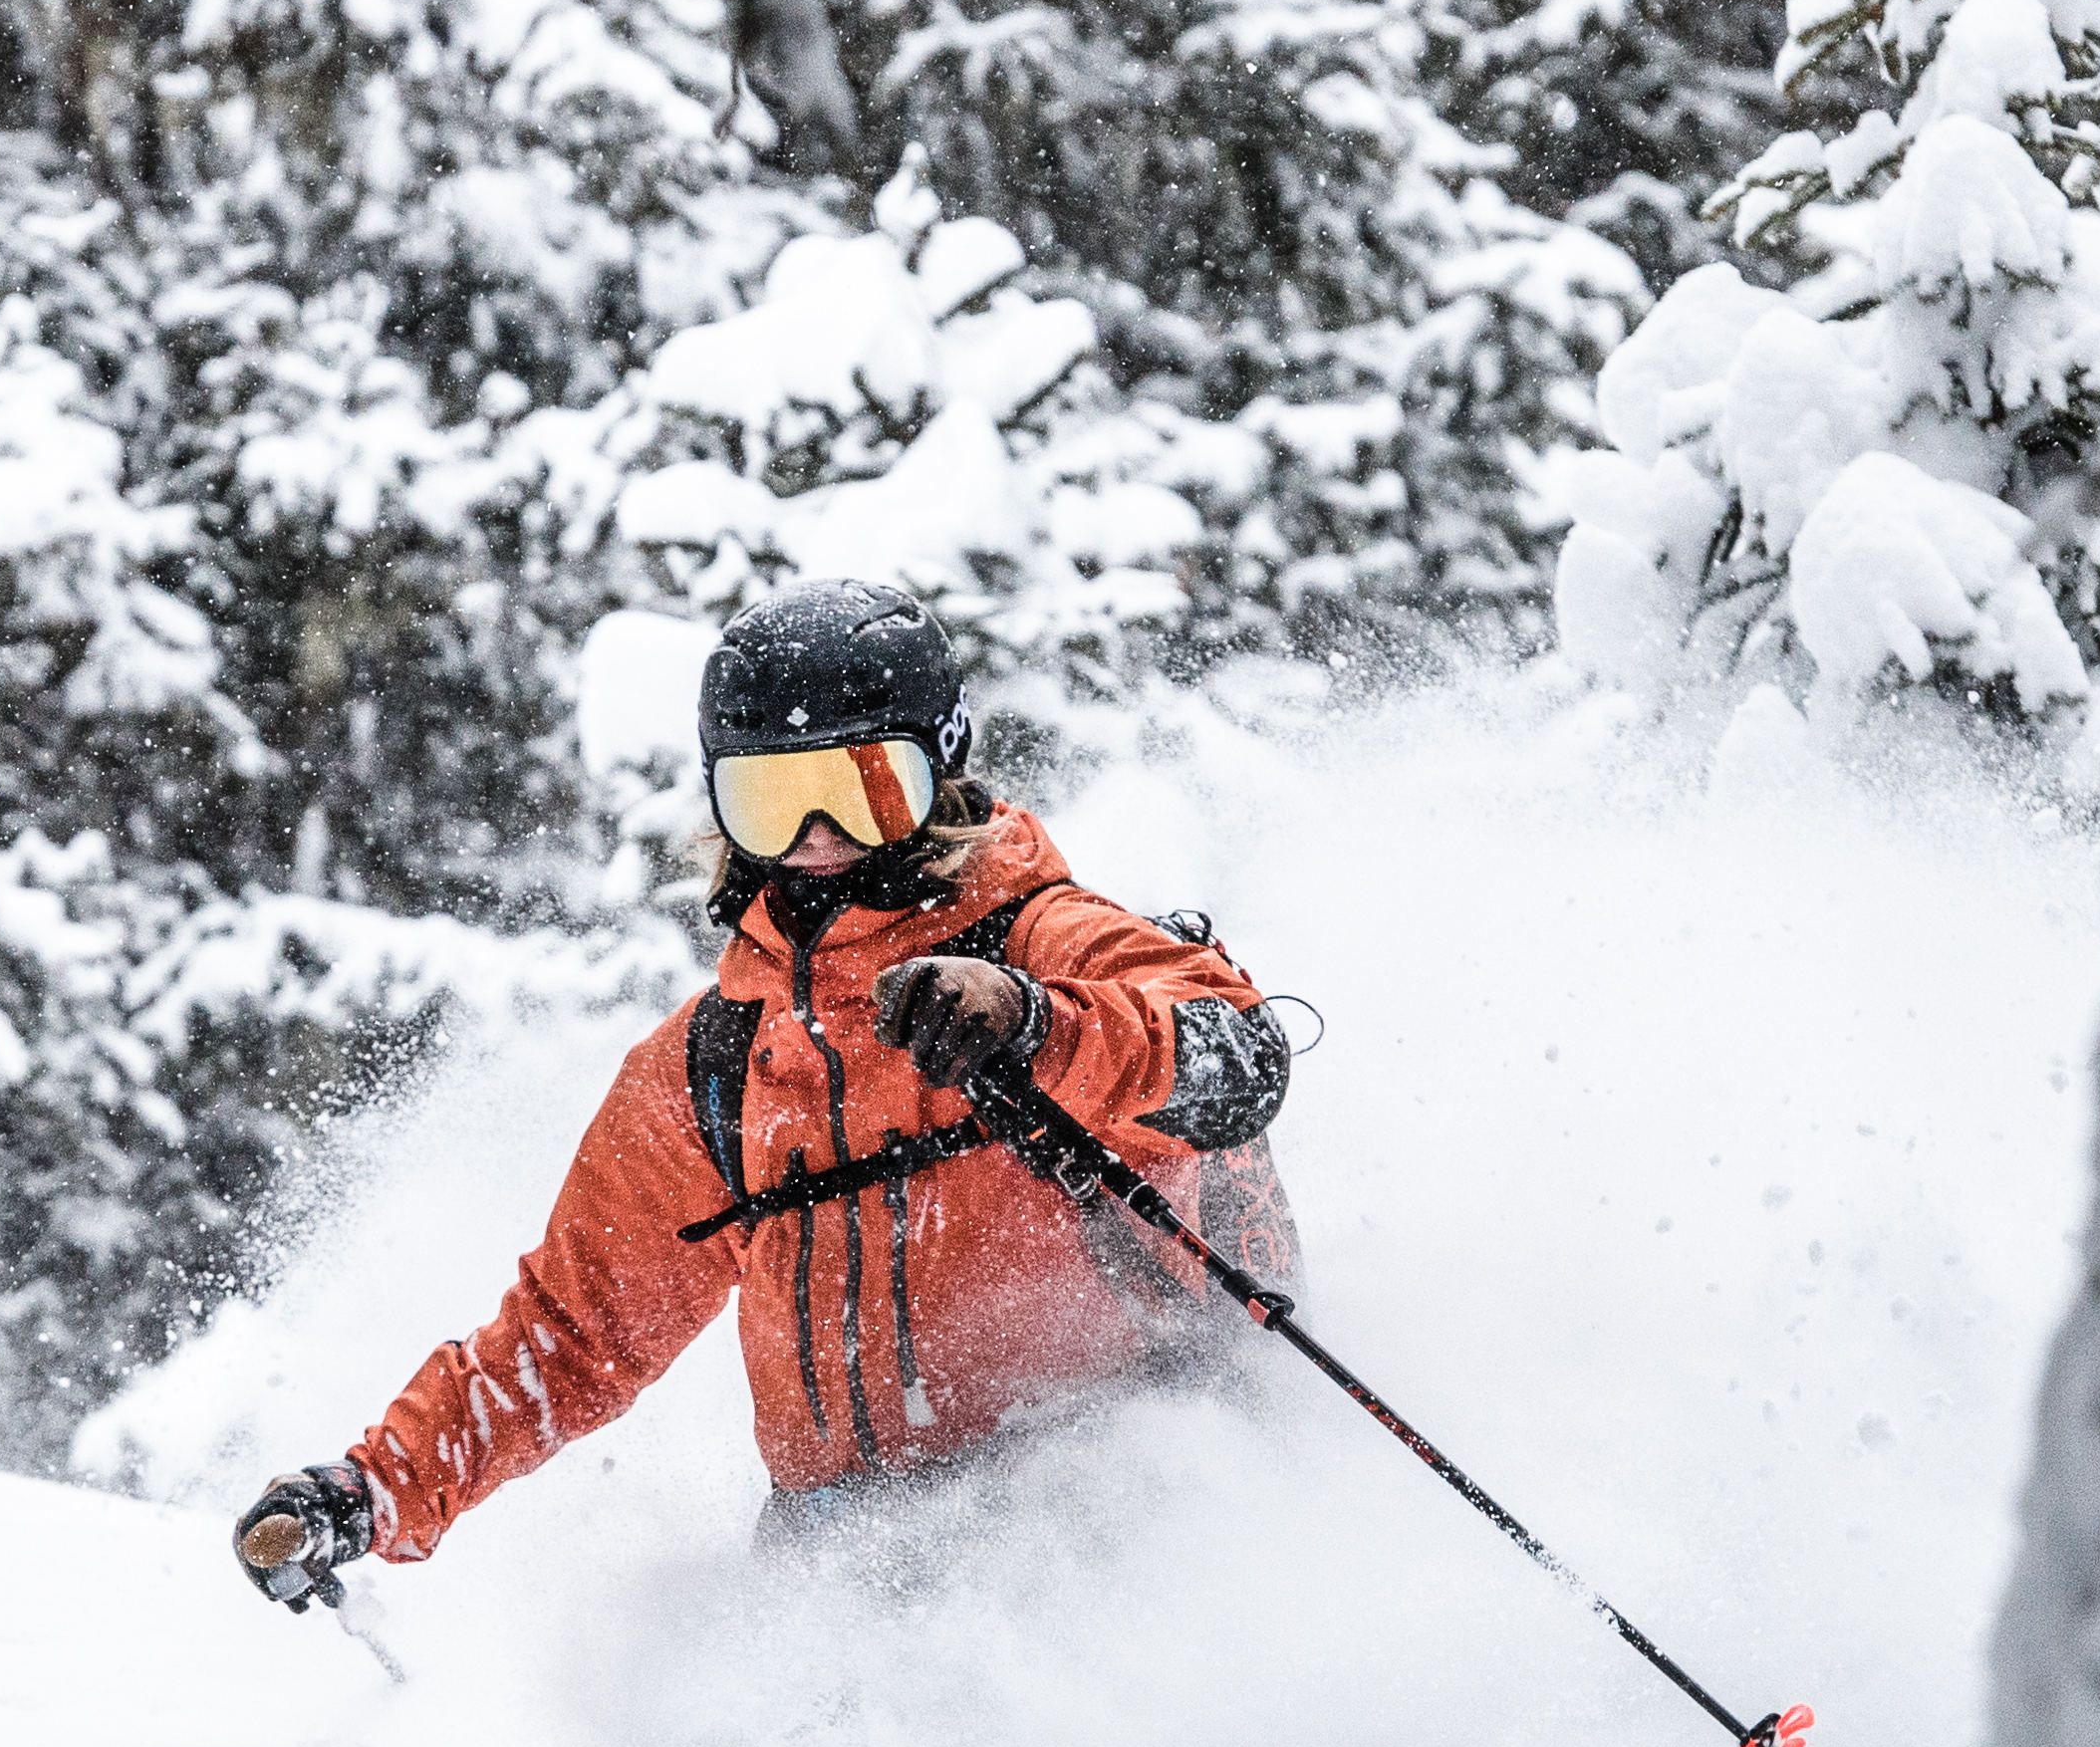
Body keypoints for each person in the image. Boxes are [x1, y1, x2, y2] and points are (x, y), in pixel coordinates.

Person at [234, 577, 1303, 1605]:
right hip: (845, 1557)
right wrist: (370, 1489)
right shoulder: (718, 1066)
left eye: (860, 787)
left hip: (1111, 1490)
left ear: (939, 774)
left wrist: (1034, 1021)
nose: (815, 837)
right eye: (770, 799)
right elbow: (570, 1336)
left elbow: (1237, 1058)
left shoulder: (1047, 941)